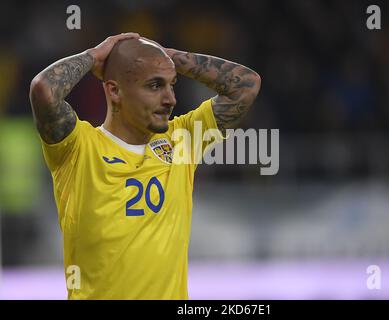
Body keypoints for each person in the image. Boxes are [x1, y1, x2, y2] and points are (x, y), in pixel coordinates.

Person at [29, 32, 261, 299]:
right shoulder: (78, 148)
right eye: (154, 85)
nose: (170, 99)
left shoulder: (182, 140)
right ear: (114, 91)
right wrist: (94, 55)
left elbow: (246, 85)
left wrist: (166, 58)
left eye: (171, 85)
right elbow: (44, 90)